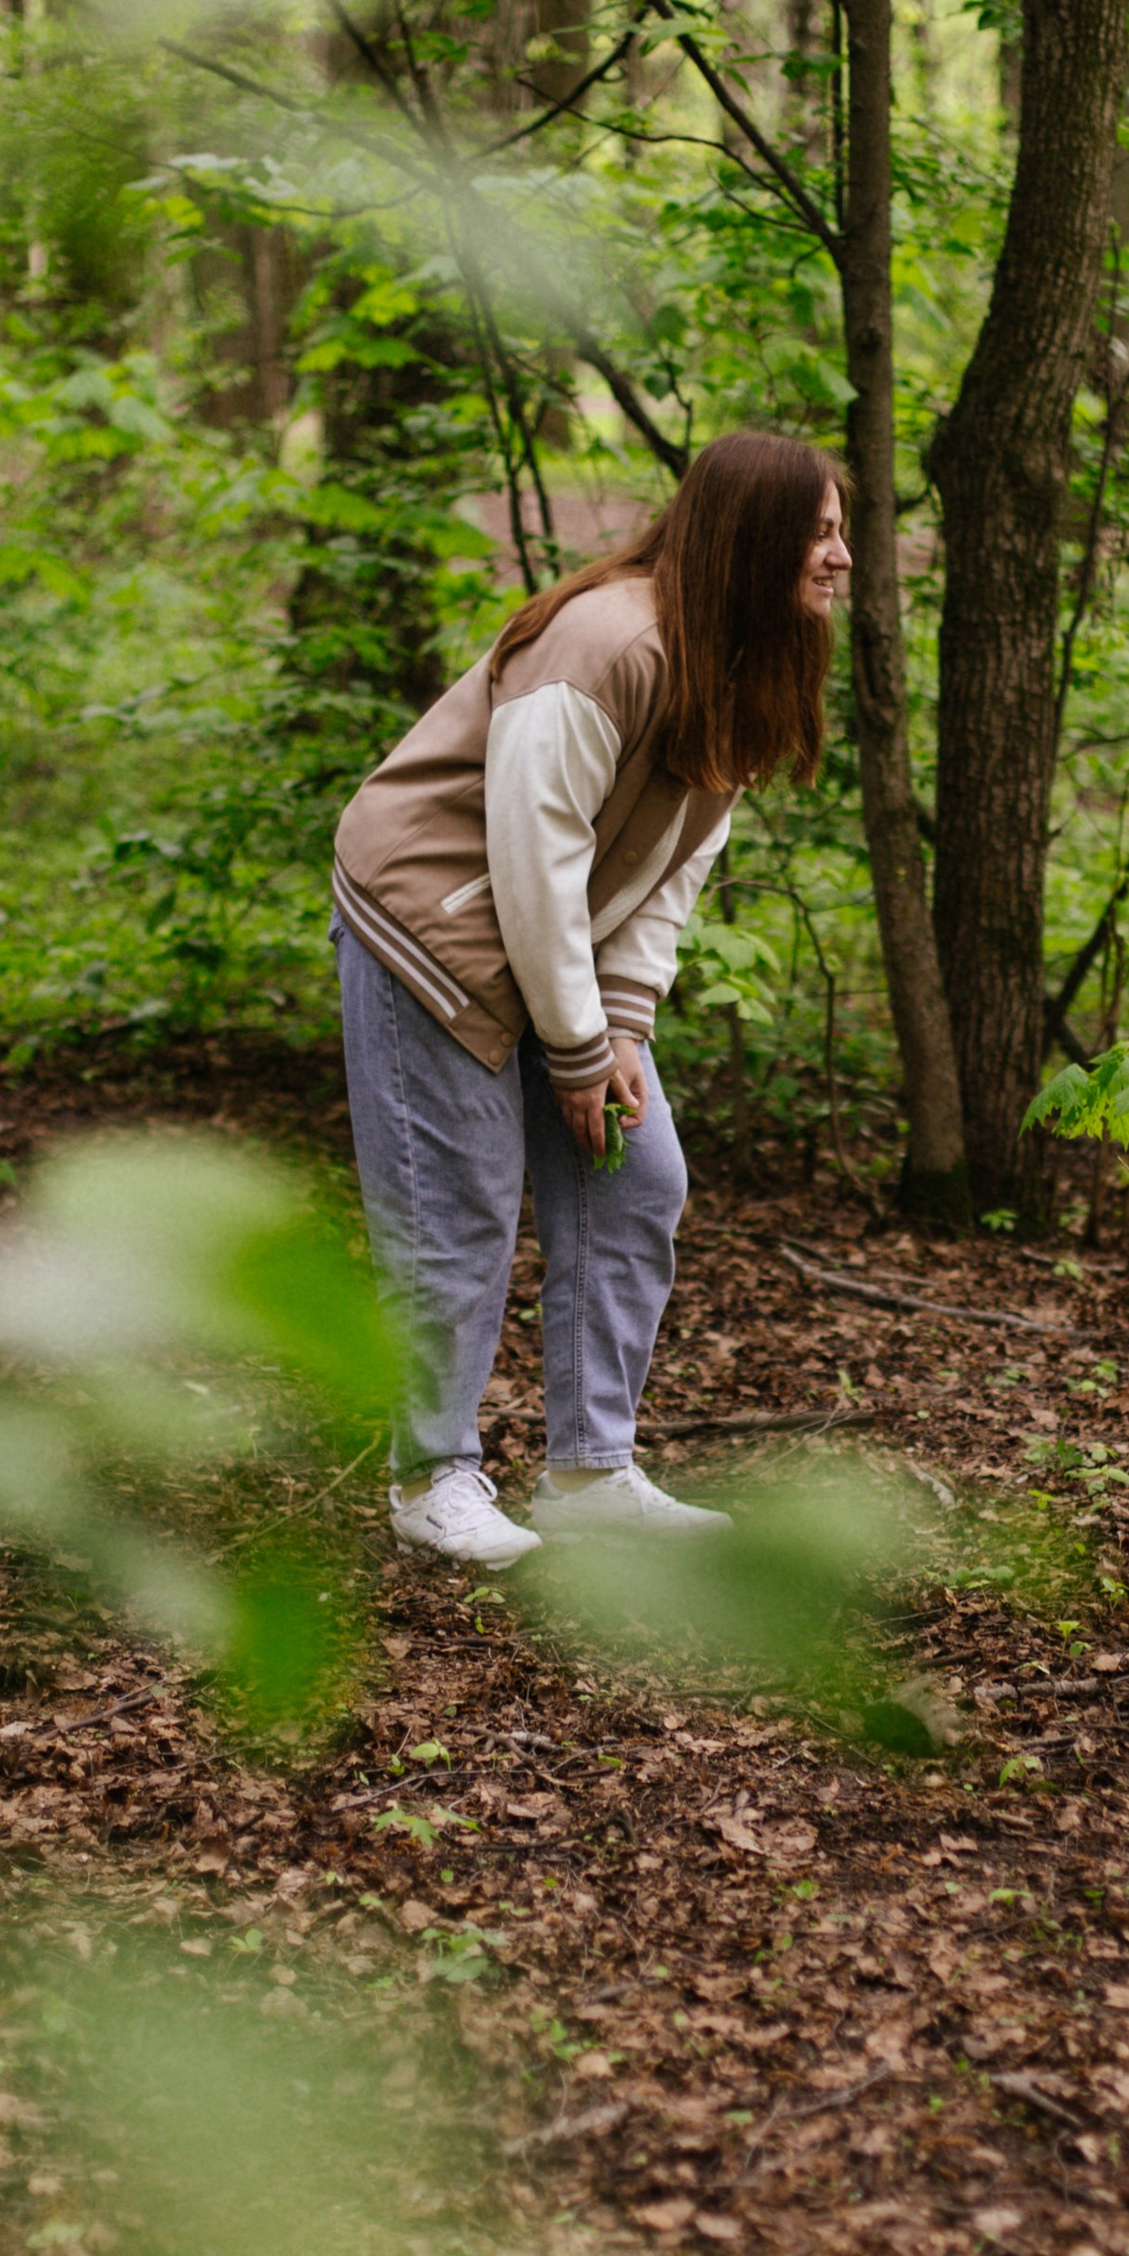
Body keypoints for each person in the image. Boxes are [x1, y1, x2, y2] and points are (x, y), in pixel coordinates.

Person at [329, 431, 852, 1569]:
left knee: (637, 1175)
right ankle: (431, 1477)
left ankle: (587, 1471)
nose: (841, 557)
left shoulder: (745, 655)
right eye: (818, 533)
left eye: (837, 531)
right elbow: (529, 858)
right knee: (457, 1204)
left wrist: (618, 1028)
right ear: (752, 538)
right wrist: (573, 1053)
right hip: (436, 920)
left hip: (552, 937)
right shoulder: (605, 643)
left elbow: (668, 872)